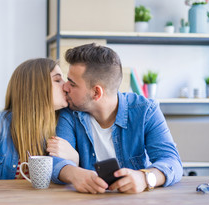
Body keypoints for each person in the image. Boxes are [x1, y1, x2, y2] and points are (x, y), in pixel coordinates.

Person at [49, 43, 183, 194]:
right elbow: (55, 161)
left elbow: (172, 162)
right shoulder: (71, 113)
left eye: (72, 84)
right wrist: (74, 174)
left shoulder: (146, 111)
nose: (65, 87)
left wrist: (144, 178)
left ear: (96, 93)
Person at [0, 58, 78, 180]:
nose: (66, 86)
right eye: (58, 80)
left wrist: (74, 159)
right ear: (35, 87)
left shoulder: (67, 126)